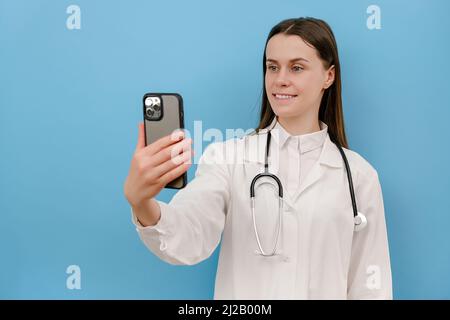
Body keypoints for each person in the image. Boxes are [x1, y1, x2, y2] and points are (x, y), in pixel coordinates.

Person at [124, 17, 392, 299]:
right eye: (272, 67)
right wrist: (141, 202)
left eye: (297, 68)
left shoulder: (359, 177)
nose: (280, 80)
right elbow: (187, 236)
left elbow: (371, 286)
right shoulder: (228, 158)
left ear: (329, 76)